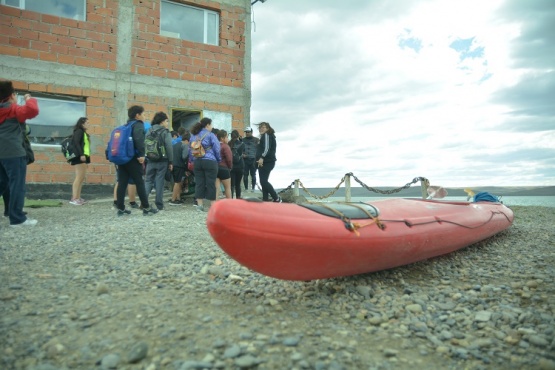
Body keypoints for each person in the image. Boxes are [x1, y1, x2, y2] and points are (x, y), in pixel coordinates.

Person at [0, 80, 40, 226]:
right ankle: (17, 219)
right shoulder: (13, 110)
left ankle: (13, 214)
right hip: (14, 154)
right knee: (17, 185)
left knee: (2, 183)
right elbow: (33, 110)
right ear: (11, 96)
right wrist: (29, 99)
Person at [115, 105, 158, 216]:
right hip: (133, 158)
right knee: (139, 182)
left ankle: (121, 209)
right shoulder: (138, 124)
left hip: (123, 159)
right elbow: (139, 140)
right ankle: (146, 208)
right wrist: (142, 155)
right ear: (137, 115)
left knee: (122, 183)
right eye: (143, 114)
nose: (144, 117)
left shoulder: (126, 125)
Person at [189, 117, 220, 212]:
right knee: (211, 183)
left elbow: (190, 149)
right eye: (211, 124)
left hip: (197, 161)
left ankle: (200, 205)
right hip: (210, 161)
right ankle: (212, 206)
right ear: (207, 125)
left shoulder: (193, 136)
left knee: (199, 183)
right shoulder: (211, 135)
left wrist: (192, 160)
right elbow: (217, 148)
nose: (212, 126)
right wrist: (218, 159)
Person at [144, 111, 173, 211]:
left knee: (148, 181)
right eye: (166, 121)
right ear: (161, 122)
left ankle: (144, 202)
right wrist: (171, 161)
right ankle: (159, 204)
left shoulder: (149, 130)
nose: (167, 123)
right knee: (160, 181)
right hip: (162, 160)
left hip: (150, 160)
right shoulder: (165, 132)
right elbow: (169, 147)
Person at [256, 121, 281, 203]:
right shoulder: (265, 136)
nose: (261, 129)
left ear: (267, 128)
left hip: (267, 161)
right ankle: (265, 199)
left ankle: (276, 197)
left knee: (263, 181)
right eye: (260, 127)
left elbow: (267, 148)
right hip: (263, 162)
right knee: (263, 181)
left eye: (263, 127)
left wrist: (262, 157)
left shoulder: (267, 135)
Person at [69, 117, 91, 205]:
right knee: (78, 177)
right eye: (87, 123)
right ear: (82, 123)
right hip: (79, 157)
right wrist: (81, 154)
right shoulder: (79, 131)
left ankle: (77, 197)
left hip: (83, 157)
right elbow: (76, 143)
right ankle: (74, 198)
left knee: (81, 177)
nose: (89, 124)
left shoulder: (83, 132)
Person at [169, 131, 190, 205]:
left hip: (173, 165)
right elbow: (184, 157)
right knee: (177, 183)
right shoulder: (184, 145)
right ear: (187, 140)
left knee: (177, 182)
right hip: (179, 166)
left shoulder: (175, 145)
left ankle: (178, 198)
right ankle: (173, 200)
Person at [215, 130, 232, 200]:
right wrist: (230, 167)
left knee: (216, 188)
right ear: (222, 138)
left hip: (215, 168)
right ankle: (229, 204)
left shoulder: (214, 146)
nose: (228, 139)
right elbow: (229, 159)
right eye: (227, 137)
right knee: (227, 187)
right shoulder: (225, 146)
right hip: (224, 168)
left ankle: (214, 204)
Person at [242, 126, 259, 192]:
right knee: (245, 174)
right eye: (246, 132)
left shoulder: (256, 140)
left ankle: (253, 189)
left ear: (251, 132)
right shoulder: (242, 140)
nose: (247, 133)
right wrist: (242, 154)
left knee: (253, 174)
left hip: (253, 160)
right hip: (245, 160)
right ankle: (246, 188)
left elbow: (259, 150)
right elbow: (240, 149)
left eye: (248, 132)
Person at [229, 129, 244, 199]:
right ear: (238, 136)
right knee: (238, 184)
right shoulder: (242, 143)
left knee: (231, 185)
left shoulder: (229, 143)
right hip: (240, 166)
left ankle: (231, 199)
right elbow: (244, 152)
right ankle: (238, 199)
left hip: (231, 167)